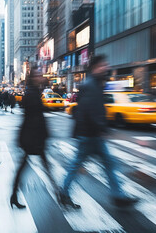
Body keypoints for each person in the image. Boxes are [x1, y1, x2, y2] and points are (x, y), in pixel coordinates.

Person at [59, 55, 139, 209]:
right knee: (80, 165)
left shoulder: (94, 83)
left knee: (107, 164)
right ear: (95, 67)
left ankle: (118, 195)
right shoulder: (90, 85)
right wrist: (101, 128)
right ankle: (64, 193)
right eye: (103, 65)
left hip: (92, 135)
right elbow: (89, 111)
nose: (106, 68)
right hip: (90, 135)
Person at [10, 66, 61, 209]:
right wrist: (41, 136)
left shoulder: (33, 92)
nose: (41, 77)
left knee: (40, 167)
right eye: (38, 75)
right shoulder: (32, 94)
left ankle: (14, 196)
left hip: (33, 136)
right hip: (33, 137)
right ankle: (59, 195)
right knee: (30, 167)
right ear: (33, 77)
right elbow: (34, 118)